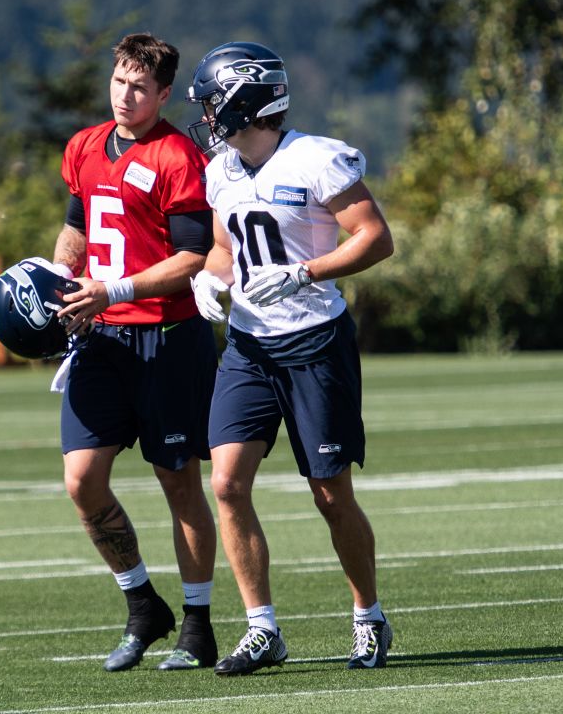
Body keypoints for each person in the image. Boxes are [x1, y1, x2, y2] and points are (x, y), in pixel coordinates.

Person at [184, 41, 396, 676]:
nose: (206, 112)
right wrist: (210, 280)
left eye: (212, 99)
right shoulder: (221, 168)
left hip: (314, 342)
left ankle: (368, 617)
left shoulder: (315, 158)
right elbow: (226, 247)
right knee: (226, 483)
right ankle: (262, 629)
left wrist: (305, 272)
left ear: (245, 98)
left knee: (330, 495)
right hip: (249, 344)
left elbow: (376, 238)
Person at [45, 32, 219, 672]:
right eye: (119, 82)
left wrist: (109, 289)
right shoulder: (86, 146)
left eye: (140, 87)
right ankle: (143, 604)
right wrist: (61, 285)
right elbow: (77, 223)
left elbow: (192, 259)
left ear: (164, 93)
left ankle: (197, 625)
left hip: (166, 338)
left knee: (178, 481)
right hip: (99, 335)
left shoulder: (178, 157)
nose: (126, 95)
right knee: (81, 479)